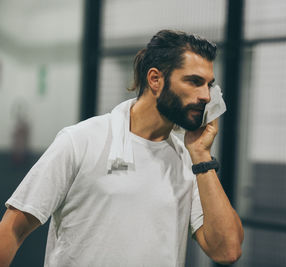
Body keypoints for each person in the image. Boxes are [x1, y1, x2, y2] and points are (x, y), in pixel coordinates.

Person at [0, 29, 243, 266]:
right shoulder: (80, 141)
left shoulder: (191, 162)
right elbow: (12, 229)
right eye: (194, 82)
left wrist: (201, 156)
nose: (206, 96)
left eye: (209, 85)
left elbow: (228, 251)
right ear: (155, 80)